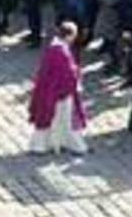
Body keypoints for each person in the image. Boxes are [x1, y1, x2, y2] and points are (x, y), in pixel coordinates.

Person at [28, 21, 88, 155]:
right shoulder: (60, 52)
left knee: (48, 118)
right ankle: (74, 145)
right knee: (67, 119)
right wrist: (76, 80)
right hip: (60, 93)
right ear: (68, 36)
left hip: (49, 90)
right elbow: (67, 74)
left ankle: (42, 145)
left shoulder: (55, 48)